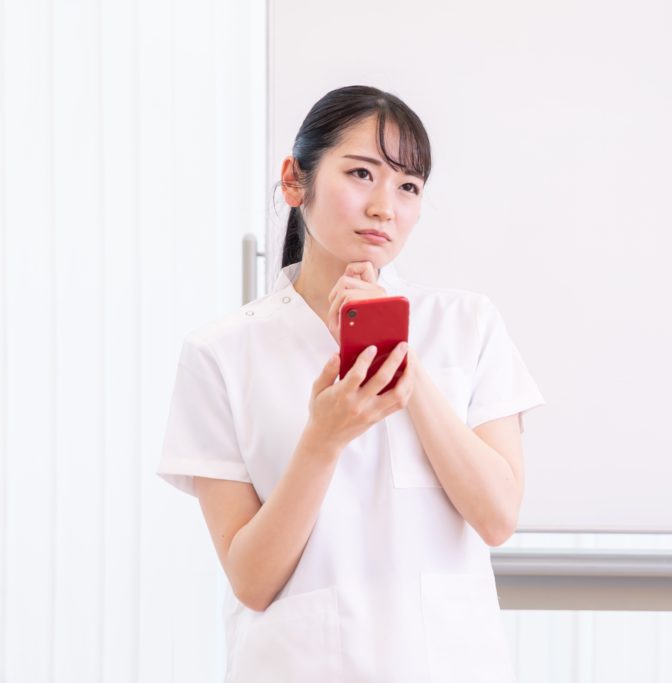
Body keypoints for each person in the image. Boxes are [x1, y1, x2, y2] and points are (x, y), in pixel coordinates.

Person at [156, 85, 546, 682]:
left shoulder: (467, 324)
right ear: (295, 181)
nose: (385, 207)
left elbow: (496, 517)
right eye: (361, 173)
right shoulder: (220, 354)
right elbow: (252, 580)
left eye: (408, 186)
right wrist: (324, 437)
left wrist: (403, 364)